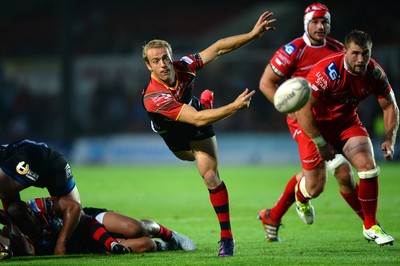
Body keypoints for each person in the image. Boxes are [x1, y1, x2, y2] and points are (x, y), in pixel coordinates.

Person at [141, 11, 276, 256]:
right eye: (156, 61)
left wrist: (252, 35)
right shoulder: (154, 97)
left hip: (195, 121)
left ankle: (227, 239)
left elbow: (217, 49)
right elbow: (197, 117)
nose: (163, 64)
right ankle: (205, 101)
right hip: (176, 134)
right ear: (148, 65)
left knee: (210, 176)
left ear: (171, 58)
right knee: (190, 153)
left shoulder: (184, 67)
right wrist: (234, 108)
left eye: (165, 58)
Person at [258, 2, 363, 242]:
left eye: (324, 21)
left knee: (344, 173)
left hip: (330, 120)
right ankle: (277, 213)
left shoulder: (338, 50)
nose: (320, 26)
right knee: (315, 187)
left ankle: (371, 224)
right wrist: (290, 108)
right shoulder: (292, 50)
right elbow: (266, 83)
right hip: (304, 122)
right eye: (315, 22)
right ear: (306, 24)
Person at [295, 29, 398, 246]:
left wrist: (390, 138)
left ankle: (370, 226)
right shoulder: (325, 72)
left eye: (366, 54)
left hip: (346, 124)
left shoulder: (374, 72)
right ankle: (301, 197)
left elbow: (390, 105)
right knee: (314, 188)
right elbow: (303, 111)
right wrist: (320, 142)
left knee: (368, 167)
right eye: (355, 53)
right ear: (345, 52)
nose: (361, 59)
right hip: (315, 127)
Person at [3, 196, 196, 256]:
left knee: (135, 228)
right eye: (22, 222)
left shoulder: (38, 206)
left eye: (28, 216)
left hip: (86, 219)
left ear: (30, 211)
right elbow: (27, 252)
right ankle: (165, 246)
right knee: (145, 244)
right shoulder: (17, 237)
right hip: (83, 244)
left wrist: (60, 242)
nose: (29, 221)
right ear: (16, 224)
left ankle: (171, 235)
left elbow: (75, 208)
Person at [0, 139, 82, 254]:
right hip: (52, 157)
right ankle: (60, 244)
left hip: (28, 155)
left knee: (12, 214)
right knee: (79, 221)